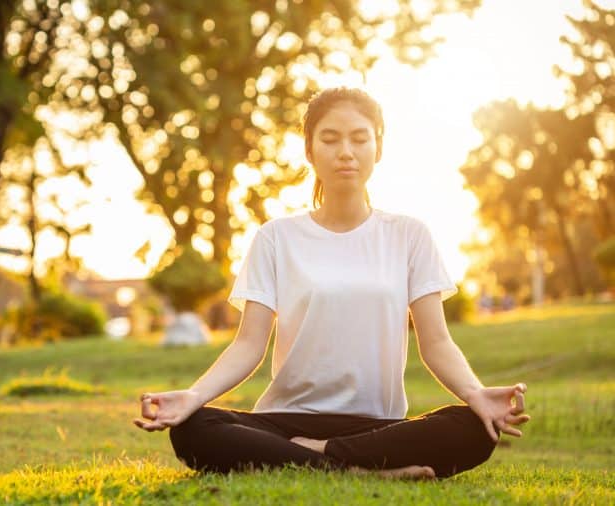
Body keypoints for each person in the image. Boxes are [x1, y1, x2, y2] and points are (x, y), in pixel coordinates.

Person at [134, 87, 530, 480]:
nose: (346, 151)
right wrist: (194, 396)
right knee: (192, 428)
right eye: (330, 138)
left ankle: (314, 458)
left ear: (378, 147)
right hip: (287, 421)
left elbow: (437, 342)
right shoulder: (275, 238)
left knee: (477, 428)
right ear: (309, 150)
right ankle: (363, 471)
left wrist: (476, 394)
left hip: (379, 426)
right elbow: (248, 344)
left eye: (360, 138)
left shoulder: (410, 235)